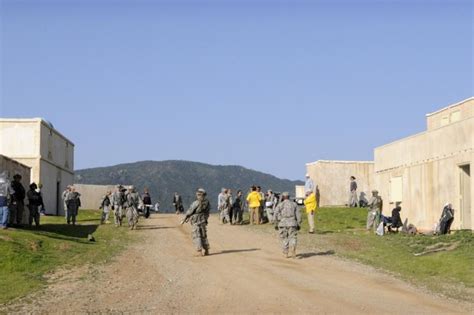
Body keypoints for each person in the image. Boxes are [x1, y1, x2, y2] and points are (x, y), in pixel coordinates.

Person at [180, 188, 211, 256]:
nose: (197, 196)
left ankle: (199, 251)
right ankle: (206, 250)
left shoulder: (196, 203)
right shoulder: (207, 203)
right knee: (203, 235)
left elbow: (190, 211)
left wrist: (184, 219)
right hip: (203, 220)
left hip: (196, 220)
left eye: (198, 194)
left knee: (197, 235)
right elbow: (207, 212)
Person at [274, 192, 302, 258]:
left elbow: (275, 214)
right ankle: (293, 249)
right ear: (289, 197)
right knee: (293, 237)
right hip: (292, 223)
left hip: (283, 223)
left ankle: (286, 252)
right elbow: (298, 215)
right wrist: (298, 223)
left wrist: (276, 223)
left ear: (283, 197)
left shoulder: (280, 205)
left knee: (284, 238)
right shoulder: (294, 204)